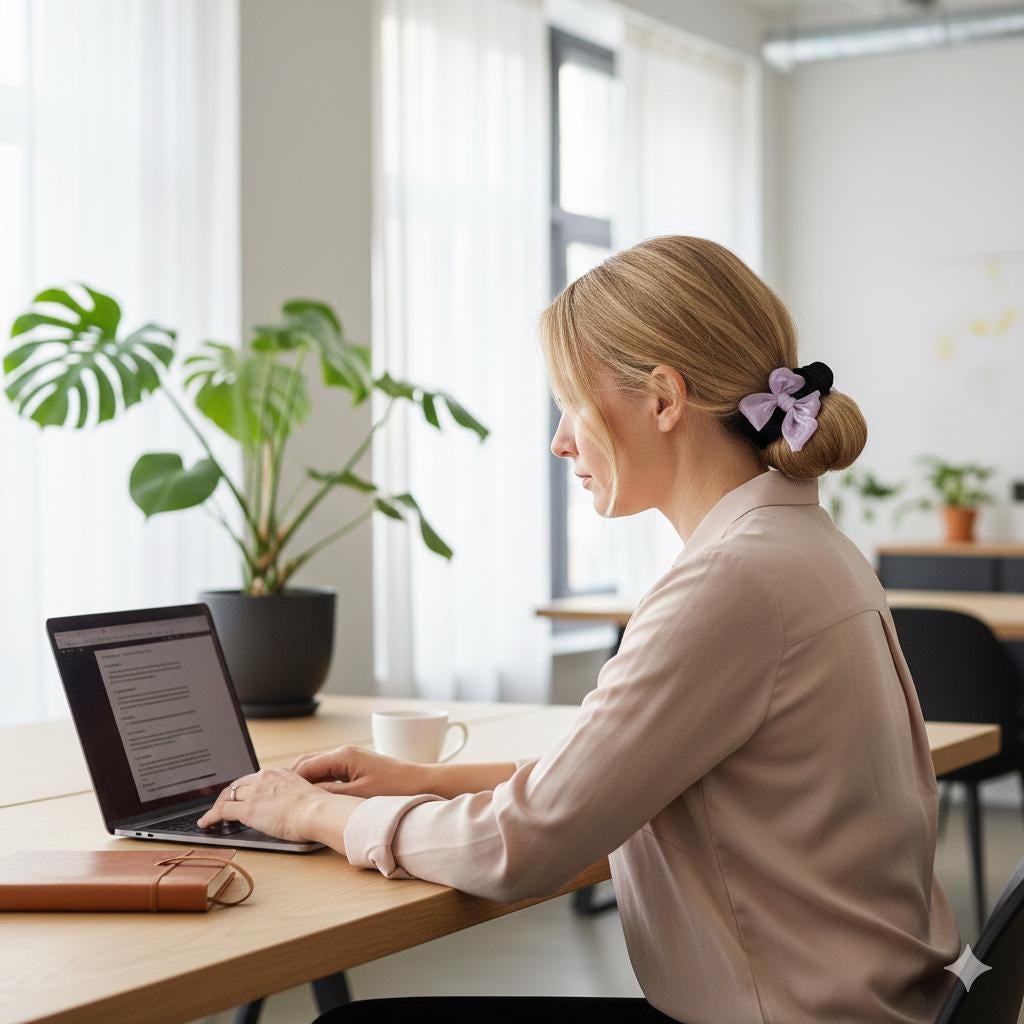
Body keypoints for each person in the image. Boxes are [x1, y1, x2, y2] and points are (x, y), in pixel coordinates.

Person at [198, 236, 963, 1023]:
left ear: (664, 400)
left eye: (571, 403)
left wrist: (311, 814)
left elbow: (518, 849)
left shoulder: (731, 581)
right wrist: (421, 780)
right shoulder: (806, 546)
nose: (561, 440)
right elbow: (620, 775)